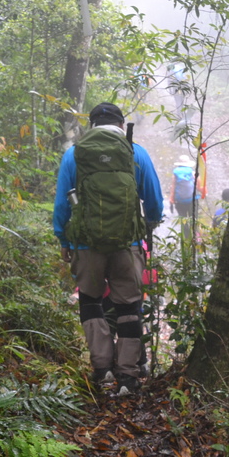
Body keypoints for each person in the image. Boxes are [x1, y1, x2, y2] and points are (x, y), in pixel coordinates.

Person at [54, 102, 163, 395]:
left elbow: (63, 204)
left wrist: (63, 240)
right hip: (126, 244)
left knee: (90, 302)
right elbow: (154, 200)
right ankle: (128, 375)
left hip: (84, 245)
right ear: (120, 125)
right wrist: (149, 225)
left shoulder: (74, 155)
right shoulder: (135, 153)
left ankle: (102, 370)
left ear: (91, 126)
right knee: (129, 306)